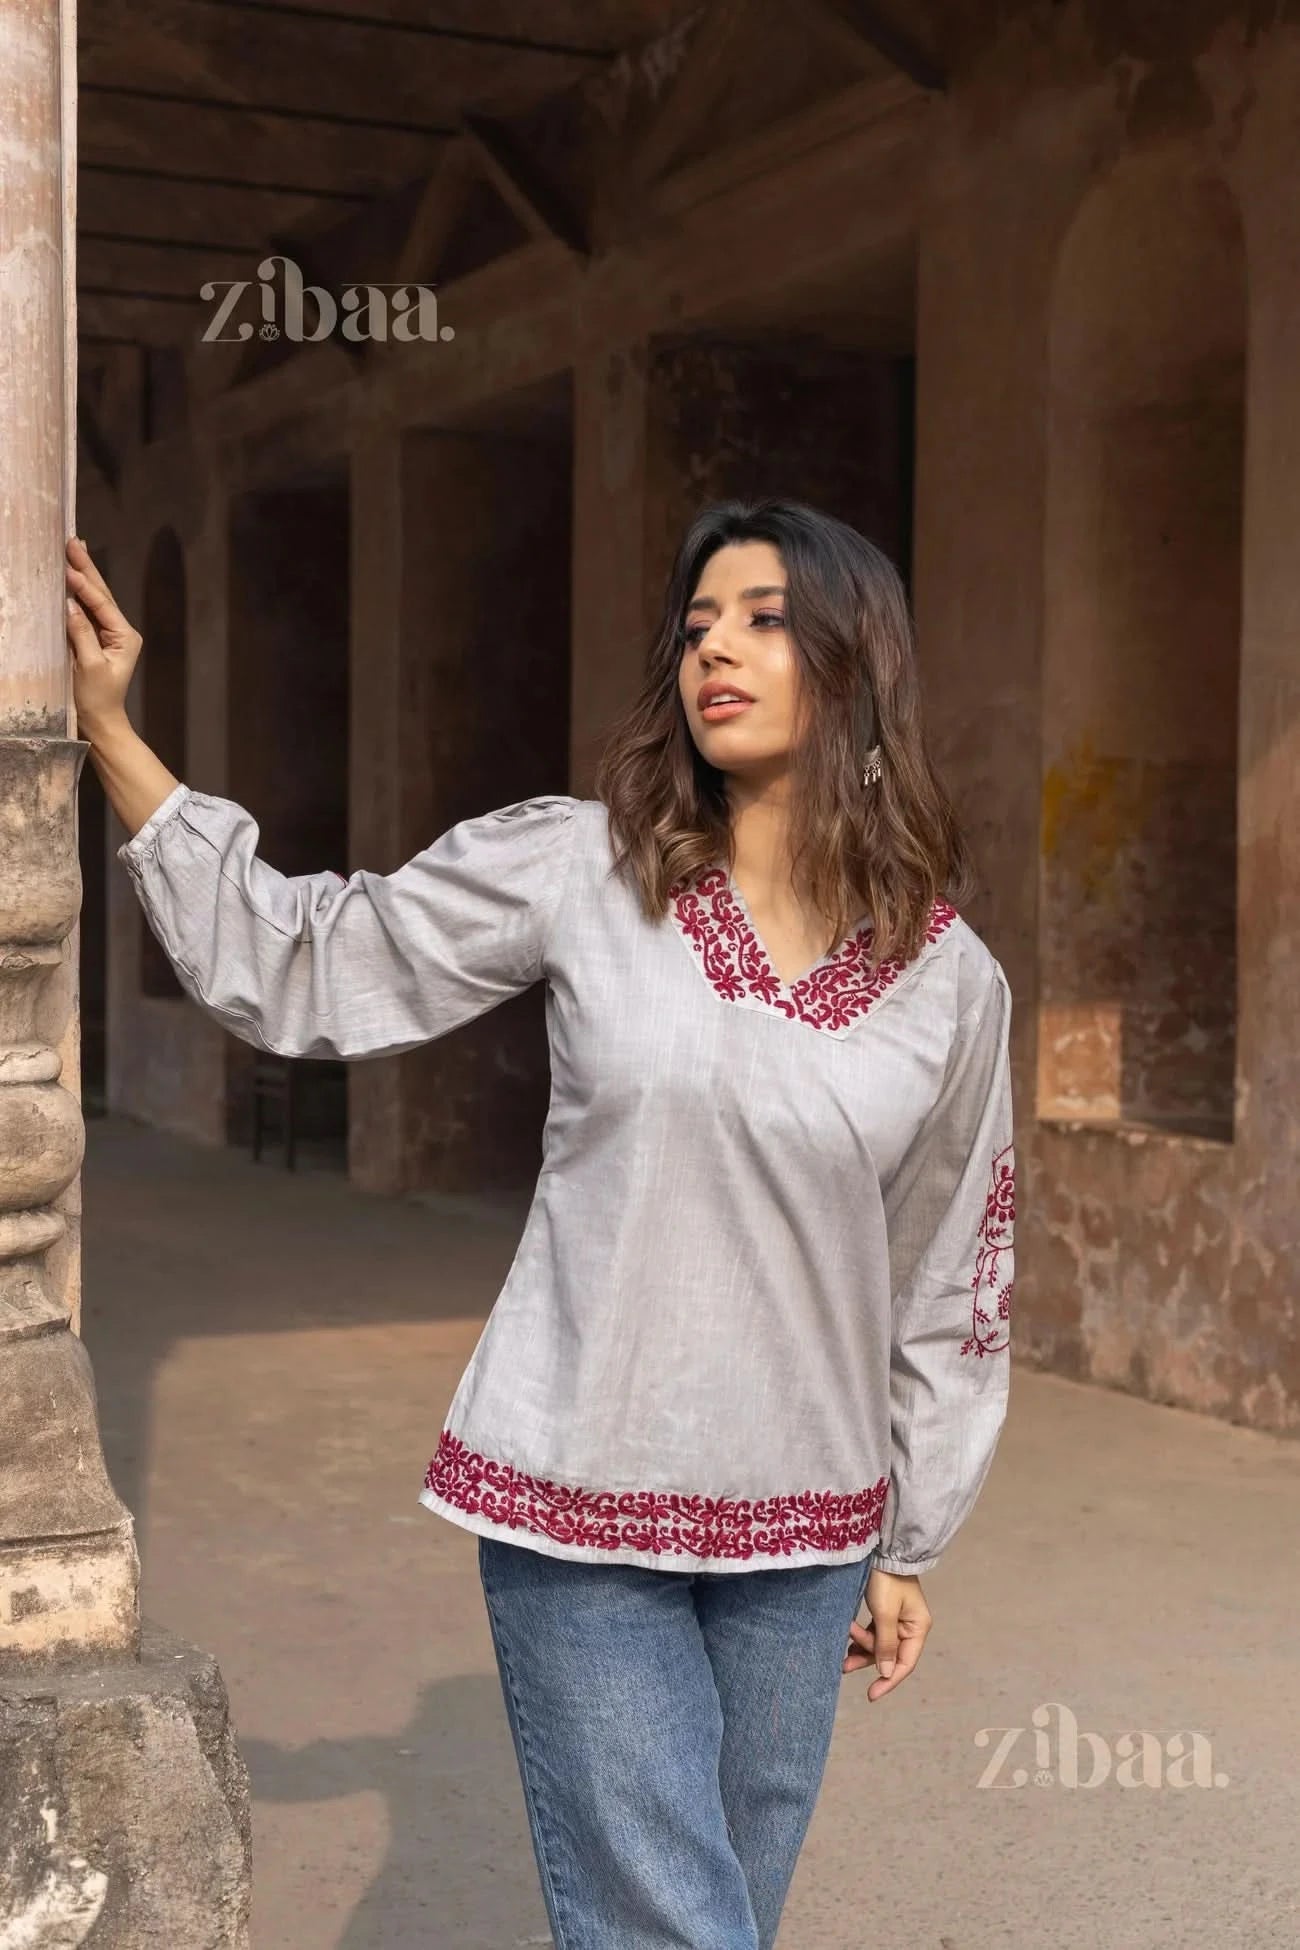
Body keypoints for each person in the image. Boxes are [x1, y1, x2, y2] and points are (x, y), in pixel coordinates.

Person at [65, 497, 1015, 1950]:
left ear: (857, 662)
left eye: (764, 620)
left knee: (724, 1919)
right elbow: (310, 959)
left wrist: (911, 1537)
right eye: (697, 625)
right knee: (672, 1929)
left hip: (809, 1533)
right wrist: (112, 735)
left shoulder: (949, 984)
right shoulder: (584, 867)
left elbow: (950, 1272)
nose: (716, 650)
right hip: (583, 1502)